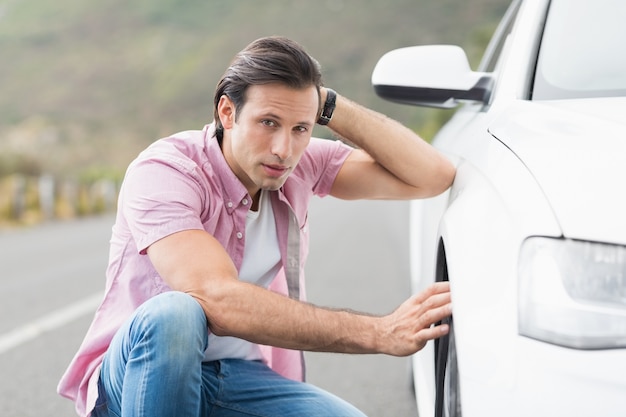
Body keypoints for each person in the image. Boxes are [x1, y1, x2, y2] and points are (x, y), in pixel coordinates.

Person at [58, 36, 456, 417]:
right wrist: (378, 332)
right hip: (139, 379)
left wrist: (329, 105)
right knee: (176, 315)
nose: (283, 149)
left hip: (237, 376)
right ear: (227, 113)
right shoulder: (166, 170)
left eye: (301, 128)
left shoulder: (299, 164)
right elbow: (216, 296)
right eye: (268, 122)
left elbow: (432, 175)